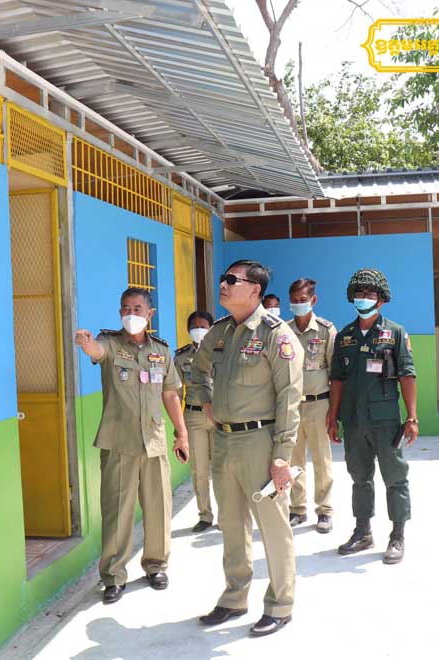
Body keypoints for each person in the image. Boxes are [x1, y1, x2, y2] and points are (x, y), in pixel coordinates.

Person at [189, 260, 303, 638]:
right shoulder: (219, 332)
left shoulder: (276, 334)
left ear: (255, 290)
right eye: (223, 279)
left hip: (260, 442)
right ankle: (234, 597)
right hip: (223, 440)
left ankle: (280, 604)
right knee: (232, 525)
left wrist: (282, 455)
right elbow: (197, 370)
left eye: (231, 280)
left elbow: (290, 397)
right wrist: (206, 403)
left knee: (273, 527)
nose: (223, 284)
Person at [74, 288, 189, 605]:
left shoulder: (161, 351)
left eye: (137, 308)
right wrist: (86, 343)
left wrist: (181, 433)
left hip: (154, 441)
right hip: (119, 441)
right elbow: (97, 351)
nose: (131, 314)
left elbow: (170, 394)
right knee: (117, 511)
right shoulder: (110, 343)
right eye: (125, 308)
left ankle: (156, 565)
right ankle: (113, 576)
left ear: (150, 314)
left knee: (159, 508)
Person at [327, 268, 418, 565]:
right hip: (354, 421)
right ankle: (363, 531)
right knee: (359, 478)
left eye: (370, 294)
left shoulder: (395, 333)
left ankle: (397, 535)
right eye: (359, 293)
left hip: (385, 420)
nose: (363, 298)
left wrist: (412, 417)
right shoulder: (345, 336)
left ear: (381, 300)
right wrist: (333, 417)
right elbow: (337, 379)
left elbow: (407, 376)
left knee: (395, 477)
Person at [286, 278, 336, 534]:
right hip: (291, 406)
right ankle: (297, 509)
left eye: (303, 300)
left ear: (313, 300)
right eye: (294, 301)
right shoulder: (283, 331)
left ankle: (324, 510)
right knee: (293, 460)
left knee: (321, 459)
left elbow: (336, 373)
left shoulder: (326, 330)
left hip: (319, 404)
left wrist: (334, 412)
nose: (298, 304)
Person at [174, 310, 215, 533]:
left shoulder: (221, 353)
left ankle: (227, 516)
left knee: (222, 469)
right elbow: (176, 393)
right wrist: (178, 426)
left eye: (203, 326)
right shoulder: (181, 357)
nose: (198, 330)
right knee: (200, 470)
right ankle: (205, 515)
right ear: (188, 330)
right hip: (194, 417)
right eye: (194, 326)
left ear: (211, 329)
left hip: (219, 417)